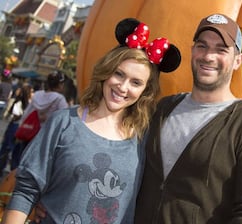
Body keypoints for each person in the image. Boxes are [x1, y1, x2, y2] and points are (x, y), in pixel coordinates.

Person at [0, 17, 181, 224]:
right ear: (106, 72)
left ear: (144, 91)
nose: (122, 87)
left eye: (136, 82)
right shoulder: (63, 123)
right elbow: (26, 190)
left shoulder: (144, 138)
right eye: (118, 74)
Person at [134, 13, 242, 223]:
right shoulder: (164, 108)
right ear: (192, 51)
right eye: (202, 46)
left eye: (221, 49)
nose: (208, 56)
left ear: (238, 60)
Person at [10, 71, 69, 170]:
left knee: (21, 158)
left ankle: (14, 178)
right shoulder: (60, 99)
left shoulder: (37, 95)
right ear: (59, 84)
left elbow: (27, 112)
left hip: (29, 131)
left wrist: (21, 127)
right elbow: (65, 118)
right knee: (34, 165)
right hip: (45, 136)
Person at [0, 84, 33, 177]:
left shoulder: (31, 103)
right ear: (28, 93)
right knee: (9, 149)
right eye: (32, 92)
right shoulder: (21, 104)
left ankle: (11, 172)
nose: (33, 93)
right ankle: (8, 170)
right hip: (16, 127)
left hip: (18, 127)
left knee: (12, 150)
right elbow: (15, 115)